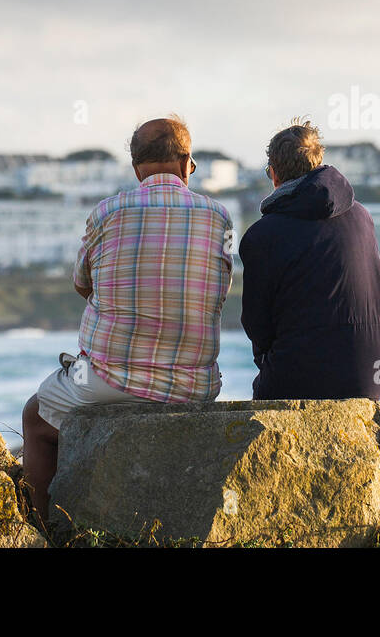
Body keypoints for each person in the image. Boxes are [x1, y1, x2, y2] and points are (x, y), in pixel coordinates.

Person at [22, 116, 233, 522]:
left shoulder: (107, 212)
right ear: (188, 162)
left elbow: (82, 284)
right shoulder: (219, 216)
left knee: (36, 415)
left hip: (107, 382)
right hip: (194, 385)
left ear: (137, 168)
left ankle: (43, 527)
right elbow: (218, 292)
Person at [238, 119, 380, 401]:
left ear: (273, 173)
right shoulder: (363, 217)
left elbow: (256, 324)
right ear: (318, 161)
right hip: (373, 376)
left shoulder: (262, 236)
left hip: (302, 378)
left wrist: (271, 365)